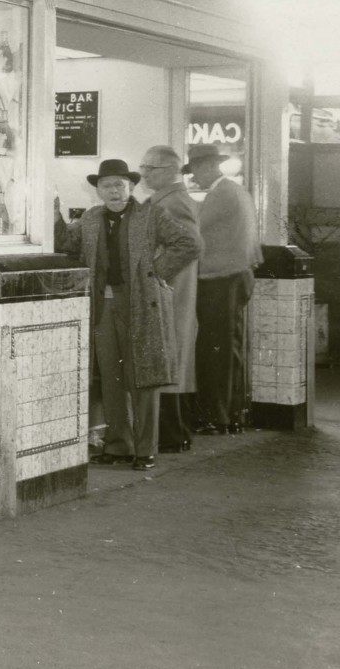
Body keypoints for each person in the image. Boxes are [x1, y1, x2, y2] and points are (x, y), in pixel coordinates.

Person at [53, 158, 201, 472]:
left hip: (141, 305)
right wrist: (52, 212)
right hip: (104, 307)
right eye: (107, 186)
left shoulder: (151, 215)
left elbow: (189, 243)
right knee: (111, 377)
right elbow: (67, 244)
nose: (114, 191)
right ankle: (119, 446)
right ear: (98, 191)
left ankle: (145, 449)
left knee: (143, 378)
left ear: (131, 186)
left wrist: (157, 272)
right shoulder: (91, 219)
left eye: (120, 184)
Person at [188, 144, 261, 434]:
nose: (193, 177)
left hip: (221, 280)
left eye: (194, 170)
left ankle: (216, 417)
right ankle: (231, 414)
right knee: (228, 348)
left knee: (214, 350)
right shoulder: (234, 192)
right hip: (235, 277)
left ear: (207, 167)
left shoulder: (223, 193)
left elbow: (193, 228)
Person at [138, 144, 205, 453]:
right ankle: (175, 433)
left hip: (168, 296)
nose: (143, 175)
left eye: (148, 169)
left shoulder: (169, 203)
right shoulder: (172, 200)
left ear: (167, 171)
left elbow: (190, 245)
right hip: (175, 293)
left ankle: (172, 434)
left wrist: (155, 276)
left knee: (165, 358)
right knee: (171, 360)